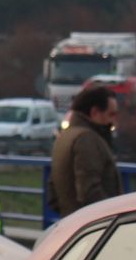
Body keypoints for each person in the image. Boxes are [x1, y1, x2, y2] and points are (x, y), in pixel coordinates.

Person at [48, 85, 122, 216]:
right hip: (95, 228)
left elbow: (52, 194)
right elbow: (90, 192)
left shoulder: (65, 136)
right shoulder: (87, 140)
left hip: (72, 223)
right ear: (94, 112)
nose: (114, 121)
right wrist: (112, 217)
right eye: (111, 114)